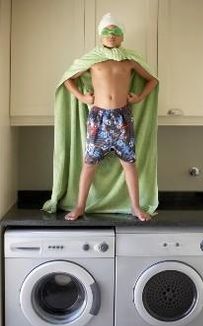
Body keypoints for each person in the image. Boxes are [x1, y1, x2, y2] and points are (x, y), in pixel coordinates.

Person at [64, 13, 159, 222]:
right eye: (107, 31)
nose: (111, 35)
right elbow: (68, 79)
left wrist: (139, 97)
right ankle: (80, 206)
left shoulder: (129, 60)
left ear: (122, 36)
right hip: (98, 118)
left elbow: (152, 80)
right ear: (100, 35)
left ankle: (135, 207)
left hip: (122, 118)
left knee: (129, 163)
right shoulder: (92, 59)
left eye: (116, 32)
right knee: (89, 163)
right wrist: (81, 96)